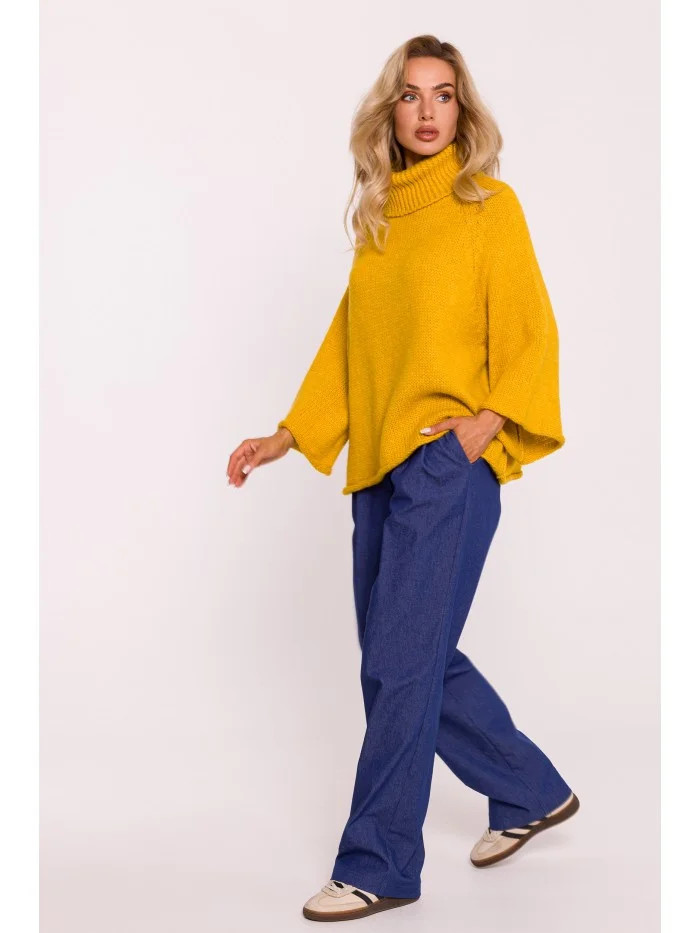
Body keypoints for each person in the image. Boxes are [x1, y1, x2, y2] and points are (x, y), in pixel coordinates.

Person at [226, 34, 579, 924]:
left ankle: (380, 861)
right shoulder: (381, 223)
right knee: (406, 657)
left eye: (444, 95)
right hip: (379, 470)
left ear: (464, 110)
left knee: (399, 659)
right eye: (412, 96)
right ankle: (530, 788)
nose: (428, 111)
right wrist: (286, 436)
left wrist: (483, 425)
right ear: (390, 112)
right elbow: (352, 347)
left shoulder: (488, 207)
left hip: (446, 467)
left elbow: (533, 331)